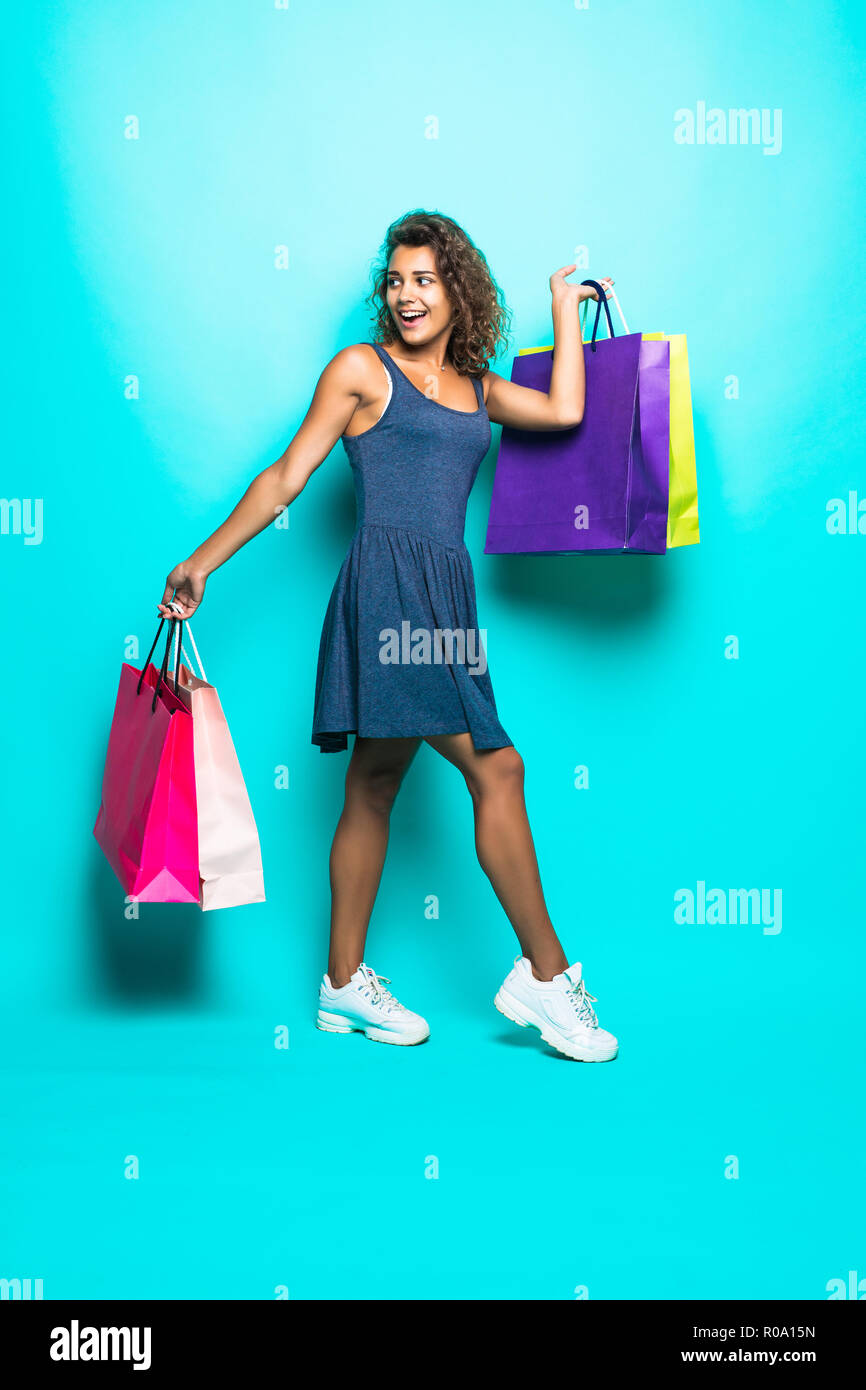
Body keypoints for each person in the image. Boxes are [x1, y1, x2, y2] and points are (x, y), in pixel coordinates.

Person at [158, 209, 618, 1062]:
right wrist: (204, 562)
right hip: (388, 597)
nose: (407, 296)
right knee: (499, 766)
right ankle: (547, 980)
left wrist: (562, 303)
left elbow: (561, 411)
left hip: (448, 598)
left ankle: (341, 984)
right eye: (397, 280)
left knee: (374, 784)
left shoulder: (478, 388)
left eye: (425, 280)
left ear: (459, 292)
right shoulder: (362, 371)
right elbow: (286, 476)